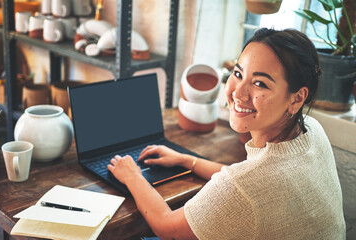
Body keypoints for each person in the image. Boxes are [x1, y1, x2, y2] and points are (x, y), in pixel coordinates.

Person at [107, 28, 346, 240]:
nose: (238, 94)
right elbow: (250, 182)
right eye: (239, 74)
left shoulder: (246, 187)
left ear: (297, 98)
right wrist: (186, 160)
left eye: (260, 84)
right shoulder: (312, 131)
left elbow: (167, 228)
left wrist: (132, 176)